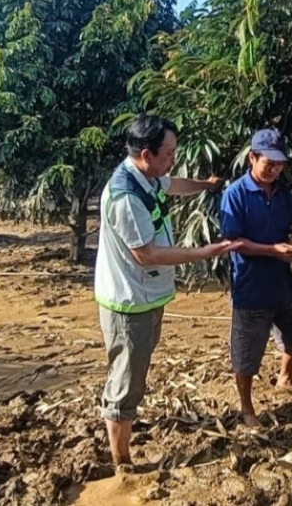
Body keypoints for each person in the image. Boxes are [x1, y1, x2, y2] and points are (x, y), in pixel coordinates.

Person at [95, 114, 239, 468]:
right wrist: (202, 253)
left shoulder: (144, 177)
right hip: (130, 302)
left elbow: (172, 185)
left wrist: (205, 185)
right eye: (169, 153)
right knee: (126, 381)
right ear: (146, 154)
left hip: (145, 295)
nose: (172, 159)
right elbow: (145, 254)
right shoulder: (125, 197)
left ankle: (122, 433)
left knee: (133, 372)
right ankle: (122, 463)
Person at [219, 128, 292, 428]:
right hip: (251, 286)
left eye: (280, 163)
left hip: (282, 283)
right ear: (252, 158)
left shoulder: (282, 191)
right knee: (247, 355)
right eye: (269, 162)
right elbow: (232, 241)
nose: (275, 168)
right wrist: (272, 250)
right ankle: (247, 408)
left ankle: (285, 375)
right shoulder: (235, 194)